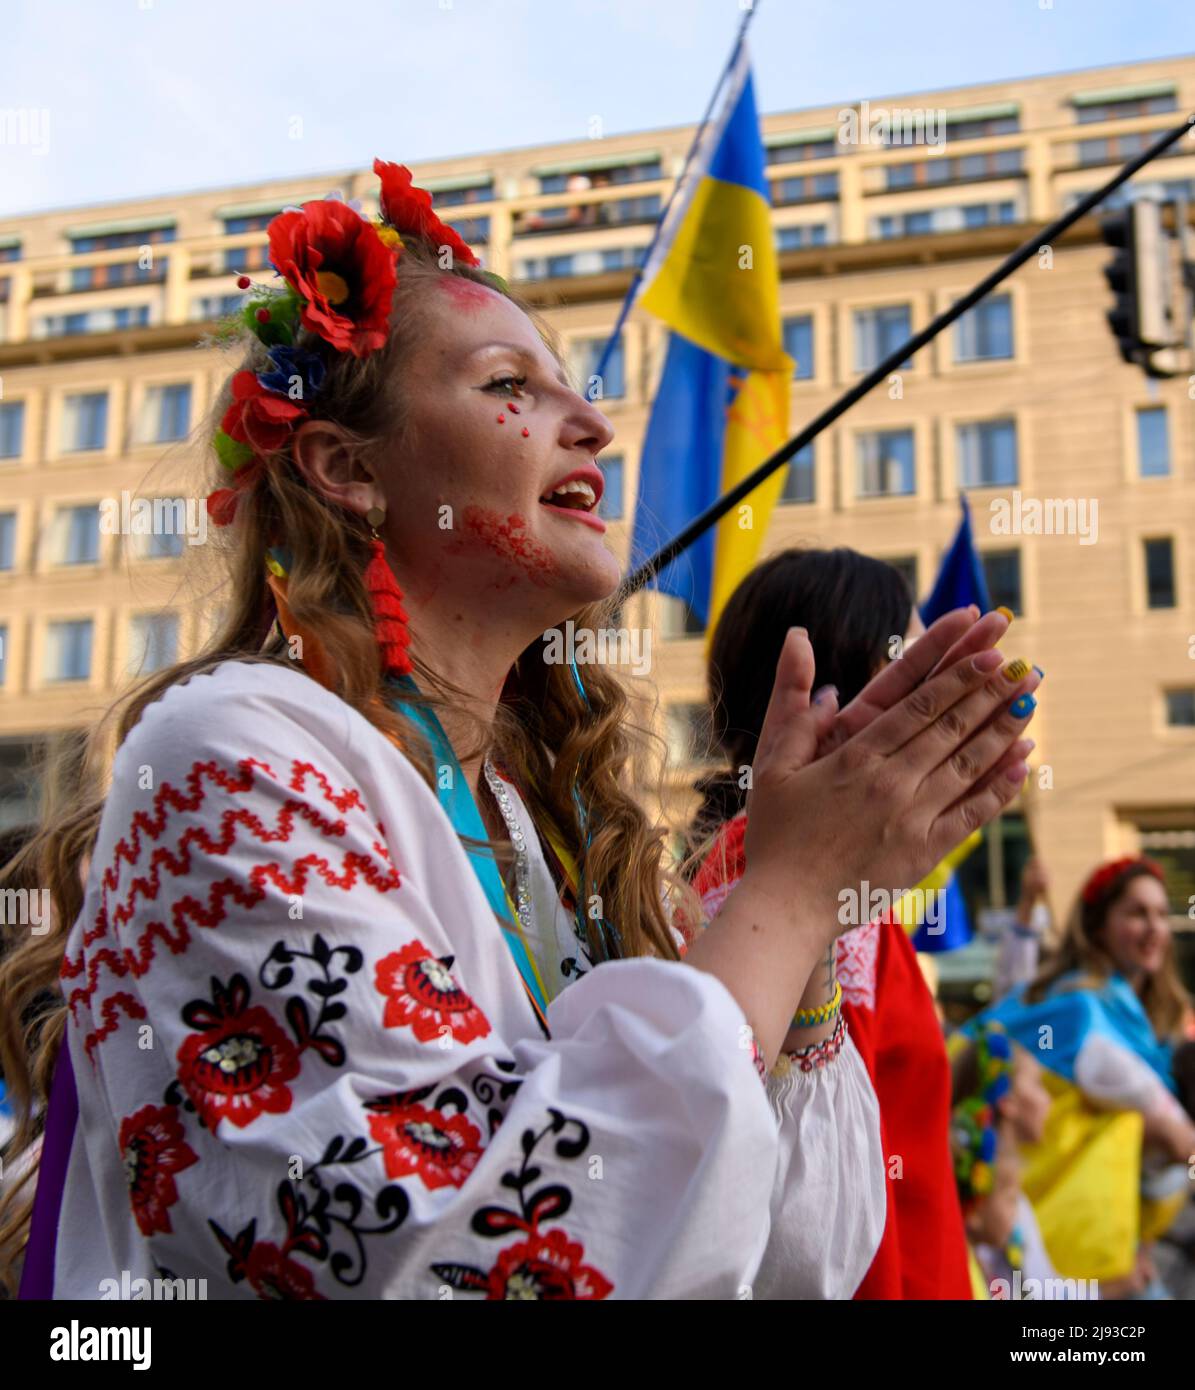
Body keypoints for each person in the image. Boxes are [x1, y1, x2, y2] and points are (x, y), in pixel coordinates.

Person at [0, 162, 1037, 1301]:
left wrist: (818, 908)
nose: (590, 421)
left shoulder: (545, 825)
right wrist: (788, 888)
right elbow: (457, 1249)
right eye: (511, 384)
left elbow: (786, 1259)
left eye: (569, 389)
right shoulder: (232, 745)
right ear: (346, 468)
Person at [688, 547, 1041, 1300]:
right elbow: (817, 1204)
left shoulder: (809, 884)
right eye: (922, 675)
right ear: (846, 697)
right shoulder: (785, 884)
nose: (951, 712)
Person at [970, 856, 1195, 1296]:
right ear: (1097, 926)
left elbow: (1010, 999)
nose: (1154, 928)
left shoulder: (1141, 1024)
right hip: (1066, 1245)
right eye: (1136, 913)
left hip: (1104, 1243)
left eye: (1159, 913)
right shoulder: (1082, 1012)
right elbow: (1176, 1137)